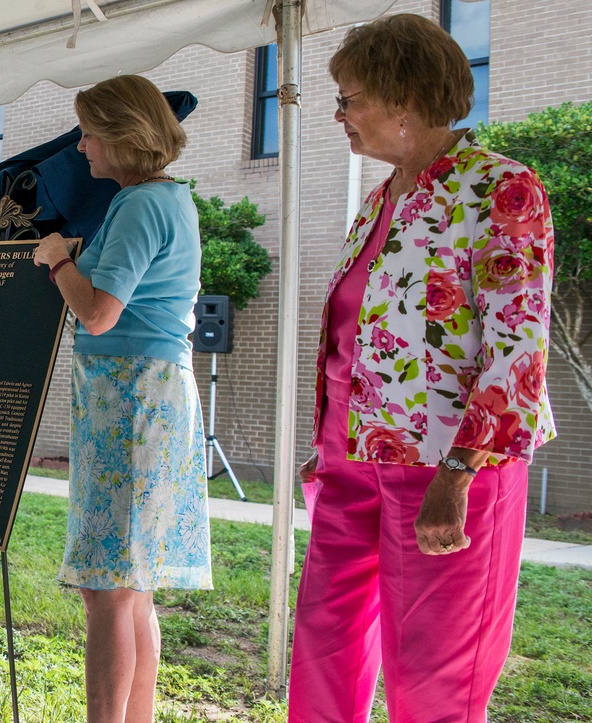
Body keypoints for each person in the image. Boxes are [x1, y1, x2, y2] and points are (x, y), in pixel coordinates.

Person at [288, 14, 555, 722]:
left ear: (403, 97)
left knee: (435, 674)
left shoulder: (501, 187)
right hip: (352, 461)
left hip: (447, 468)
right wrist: (324, 445)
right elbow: (354, 333)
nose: (340, 114)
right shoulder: (380, 199)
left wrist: (461, 471)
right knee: (323, 648)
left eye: (350, 98)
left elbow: (518, 348)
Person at [33, 74, 212, 723]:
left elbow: (101, 312)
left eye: (89, 133)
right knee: (132, 590)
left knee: (108, 591)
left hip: (132, 401)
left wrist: (57, 261)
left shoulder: (139, 204)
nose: (81, 148)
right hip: (145, 399)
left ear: (121, 135)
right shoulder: (165, 199)